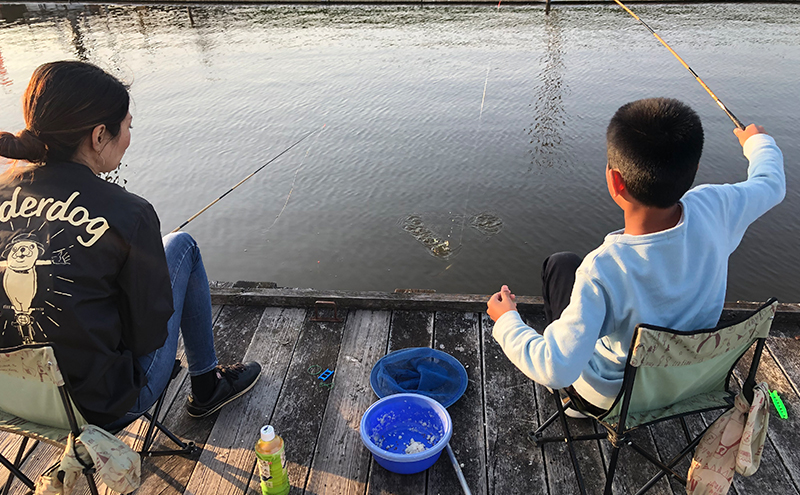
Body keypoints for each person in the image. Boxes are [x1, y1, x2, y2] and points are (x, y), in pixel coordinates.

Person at [0, 60, 261, 430]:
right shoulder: (130, 212)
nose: (128, 137)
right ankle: (206, 387)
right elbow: (148, 336)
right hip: (99, 408)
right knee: (181, 246)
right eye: (127, 127)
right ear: (99, 135)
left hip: (10, 400)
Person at [486, 97, 785, 417]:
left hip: (613, 400)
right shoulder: (717, 207)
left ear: (615, 181)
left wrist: (506, 321)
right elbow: (771, 184)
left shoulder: (604, 269)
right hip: (690, 384)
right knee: (566, 266)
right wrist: (757, 141)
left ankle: (571, 404)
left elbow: (555, 368)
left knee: (561, 264)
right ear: (694, 170)